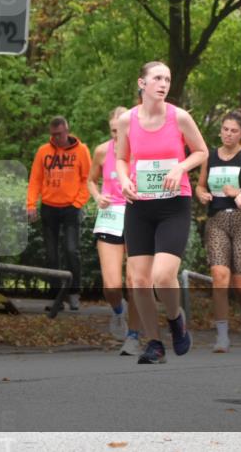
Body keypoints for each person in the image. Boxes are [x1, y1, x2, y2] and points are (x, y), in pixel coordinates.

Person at [115, 61, 209, 364]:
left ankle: (175, 318)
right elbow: (121, 158)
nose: (163, 83)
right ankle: (154, 343)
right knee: (139, 281)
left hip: (173, 204)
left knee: (163, 275)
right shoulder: (128, 120)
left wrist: (181, 166)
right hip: (139, 206)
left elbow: (202, 152)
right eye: (157, 78)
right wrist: (125, 179)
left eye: (167, 79)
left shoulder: (179, 117)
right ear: (142, 83)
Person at [196, 109, 241, 352]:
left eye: (234, 131)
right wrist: (201, 193)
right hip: (217, 220)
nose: (228, 135)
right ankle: (222, 335)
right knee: (219, 278)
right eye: (225, 129)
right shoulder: (210, 157)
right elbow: (200, 186)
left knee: (240, 284)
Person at [87, 106, 142, 354]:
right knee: (111, 286)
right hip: (110, 216)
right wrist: (98, 196)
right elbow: (90, 180)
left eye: (122, 130)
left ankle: (133, 335)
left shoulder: (143, 150)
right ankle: (119, 312)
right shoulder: (101, 151)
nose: (118, 136)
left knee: (133, 281)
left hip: (137, 215)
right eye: (113, 131)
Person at [27, 116, 92, 311]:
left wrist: (78, 202)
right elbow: (35, 180)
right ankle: (56, 297)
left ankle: (74, 293)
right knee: (51, 254)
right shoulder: (43, 151)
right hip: (49, 206)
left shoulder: (82, 151)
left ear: (67, 131)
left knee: (72, 250)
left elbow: (87, 179)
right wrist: (31, 204)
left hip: (71, 207)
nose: (56, 138)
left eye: (60, 134)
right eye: (53, 135)